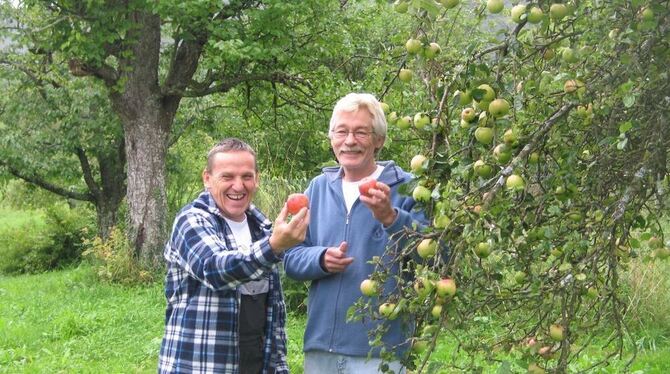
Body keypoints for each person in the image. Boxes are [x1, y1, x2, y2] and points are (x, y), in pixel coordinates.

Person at [283, 93, 427, 373]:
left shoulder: (408, 188)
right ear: (331, 139)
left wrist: (391, 217)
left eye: (361, 132)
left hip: (381, 350)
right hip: (321, 348)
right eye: (342, 131)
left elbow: (433, 259)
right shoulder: (318, 188)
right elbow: (291, 258)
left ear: (379, 140)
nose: (350, 141)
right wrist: (321, 259)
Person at [158, 138, 309, 374]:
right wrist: (273, 247)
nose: (238, 186)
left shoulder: (262, 229)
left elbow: (273, 318)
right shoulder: (191, 220)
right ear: (207, 179)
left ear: (256, 179)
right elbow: (215, 269)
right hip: (200, 366)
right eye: (227, 177)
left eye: (246, 176)